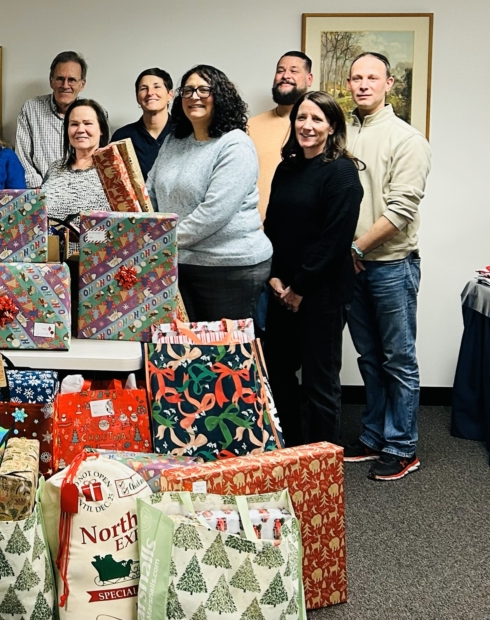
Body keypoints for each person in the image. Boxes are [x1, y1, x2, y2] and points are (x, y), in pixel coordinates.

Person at [342, 52, 432, 481]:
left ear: (388, 84)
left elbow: (401, 208)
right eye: (356, 77)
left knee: (399, 359)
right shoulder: (341, 133)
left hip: (391, 267)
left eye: (372, 77)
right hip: (353, 266)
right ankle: (374, 436)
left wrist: (355, 249)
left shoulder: (407, 139)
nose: (363, 84)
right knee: (370, 358)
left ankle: (402, 446)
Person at [264, 91, 363, 447]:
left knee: (320, 382)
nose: (307, 126)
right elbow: (272, 226)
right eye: (301, 118)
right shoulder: (287, 167)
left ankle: (322, 460)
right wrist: (275, 277)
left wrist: (300, 288)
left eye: (317, 119)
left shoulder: (342, 172)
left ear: (331, 126)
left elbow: (334, 240)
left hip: (321, 293)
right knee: (277, 372)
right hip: (281, 289)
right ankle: (291, 449)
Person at [146, 65, 272, 322]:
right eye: (188, 90)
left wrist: (158, 243)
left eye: (204, 90)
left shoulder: (235, 144)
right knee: (184, 352)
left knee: (222, 357)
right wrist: (144, 231)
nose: (194, 96)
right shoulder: (174, 140)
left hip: (228, 268)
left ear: (221, 97)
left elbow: (213, 213)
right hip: (178, 263)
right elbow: (150, 191)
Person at [248, 51, 313, 222]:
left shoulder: (319, 130)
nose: (285, 76)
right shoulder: (250, 127)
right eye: (280, 70)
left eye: (294, 71)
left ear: (309, 79)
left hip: (303, 234)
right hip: (255, 233)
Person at [15, 51, 88, 188]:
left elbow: (99, 159)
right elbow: (22, 158)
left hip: (82, 195)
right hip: (40, 194)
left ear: (82, 84)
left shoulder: (94, 114)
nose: (65, 85)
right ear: (51, 81)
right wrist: (43, 192)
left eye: (72, 80)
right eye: (60, 78)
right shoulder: (31, 109)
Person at [41, 99, 111, 221]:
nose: (80, 129)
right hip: (50, 240)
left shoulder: (113, 171)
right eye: (74, 124)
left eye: (88, 123)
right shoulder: (55, 168)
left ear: (101, 130)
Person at [109, 68, 174, 178]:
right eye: (143, 88)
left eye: (157, 87)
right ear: (137, 98)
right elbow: (114, 181)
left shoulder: (185, 132)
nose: (150, 93)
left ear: (170, 95)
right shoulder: (122, 137)